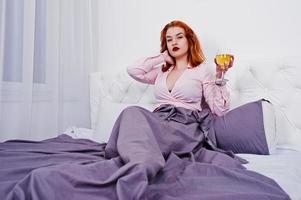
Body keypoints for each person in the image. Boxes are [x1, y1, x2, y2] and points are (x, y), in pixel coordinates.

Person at [127, 20, 234, 117]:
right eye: (169, 40)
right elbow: (133, 71)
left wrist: (220, 77)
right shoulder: (162, 70)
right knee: (130, 112)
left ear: (190, 40)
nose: (174, 42)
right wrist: (162, 57)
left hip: (186, 124)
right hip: (159, 121)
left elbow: (220, 111)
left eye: (179, 37)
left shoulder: (202, 70)